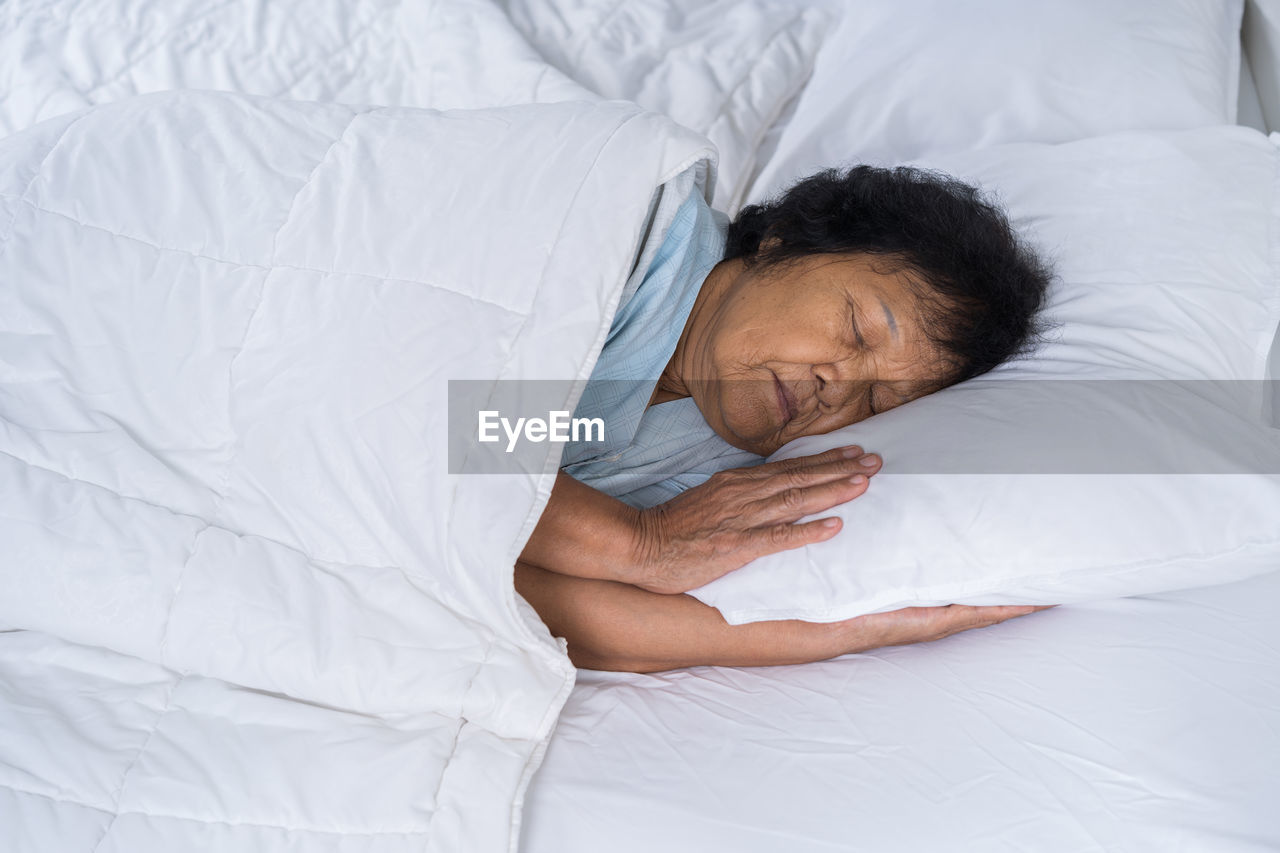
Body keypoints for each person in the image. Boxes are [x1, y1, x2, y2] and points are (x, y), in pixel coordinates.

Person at [514, 165, 1055, 673]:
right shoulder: (627, 222)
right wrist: (638, 543)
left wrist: (845, 632)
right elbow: (442, 421)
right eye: (858, 330)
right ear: (782, 242)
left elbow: (530, 598)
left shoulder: (726, 472)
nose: (836, 387)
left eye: (874, 403)